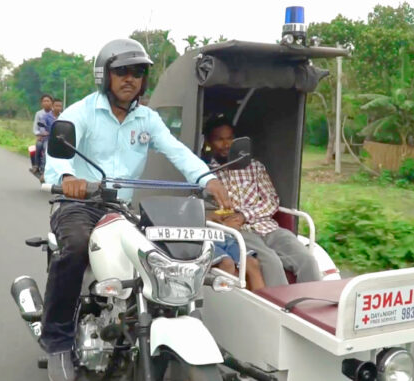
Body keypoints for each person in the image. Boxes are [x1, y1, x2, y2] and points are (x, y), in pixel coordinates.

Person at [42, 39, 232, 381]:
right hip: (79, 205)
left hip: (120, 208)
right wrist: (68, 177)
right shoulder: (82, 112)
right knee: (74, 249)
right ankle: (57, 341)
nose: (130, 78)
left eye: (138, 72)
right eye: (122, 71)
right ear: (106, 76)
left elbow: (176, 151)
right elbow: (58, 152)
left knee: (160, 255)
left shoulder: (147, 119)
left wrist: (206, 179)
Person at [203, 115, 320, 288]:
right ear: (209, 142)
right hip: (238, 232)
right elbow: (204, 209)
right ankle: (280, 308)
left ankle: (312, 304)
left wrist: (244, 215)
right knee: (271, 263)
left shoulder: (254, 167)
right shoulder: (205, 173)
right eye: (219, 139)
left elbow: (271, 201)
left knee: (306, 260)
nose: (226, 144)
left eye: (230, 139)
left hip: (266, 226)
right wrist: (218, 217)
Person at [31, 94, 53, 176]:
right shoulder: (39, 114)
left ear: (52, 102)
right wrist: (39, 135)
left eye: (48, 101)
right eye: (44, 101)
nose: (46, 103)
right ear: (41, 103)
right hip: (43, 137)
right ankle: (37, 165)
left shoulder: (56, 113)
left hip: (54, 137)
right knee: (39, 146)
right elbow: (35, 128)